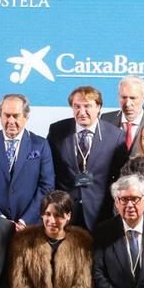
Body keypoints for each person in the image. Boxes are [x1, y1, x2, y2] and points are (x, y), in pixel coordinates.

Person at [47, 86, 129, 232]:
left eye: (87, 106)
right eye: (76, 106)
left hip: (101, 213)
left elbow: (121, 178)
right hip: (64, 212)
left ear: (98, 107)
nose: (82, 112)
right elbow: (50, 171)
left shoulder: (116, 136)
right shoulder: (57, 131)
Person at [0, 94, 54, 229]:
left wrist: (24, 220)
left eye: (16, 116)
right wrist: (0, 219)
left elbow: (46, 187)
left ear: (26, 117)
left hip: (29, 226)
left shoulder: (40, 144)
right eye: (6, 115)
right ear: (0, 116)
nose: (10, 121)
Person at [100, 76, 144, 153]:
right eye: (124, 97)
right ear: (118, 97)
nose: (127, 104)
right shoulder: (105, 120)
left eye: (133, 98)